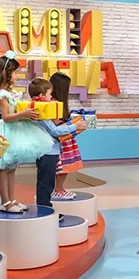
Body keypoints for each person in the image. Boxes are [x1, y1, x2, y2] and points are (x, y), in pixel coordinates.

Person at [0, 51, 54, 213]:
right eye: (15, 72)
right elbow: (6, 117)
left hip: (15, 130)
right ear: (5, 73)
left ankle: (12, 199)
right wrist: (24, 114)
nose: (17, 75)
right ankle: (5, 202)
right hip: (7, 130)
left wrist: (27, 112)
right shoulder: (2, 95)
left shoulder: (11, 93)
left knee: (12, 167)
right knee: (5, 168)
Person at [29, 77, 87, 207]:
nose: (51, 97)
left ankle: (45, 207)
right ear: (41, 95)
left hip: (51, 150)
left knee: (47, 182)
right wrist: (75, 126)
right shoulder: (40, 111)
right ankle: (44, 209)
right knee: (46, 183)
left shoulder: (41, 109)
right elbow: (54, 130)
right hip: (47, 151)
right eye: (49, 94)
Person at [49, 72, 83, 200]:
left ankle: (60, 188)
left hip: (66, 139)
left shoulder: (59, 103)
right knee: (62, 166)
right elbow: (55, 124)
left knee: (67, 164)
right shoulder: (54, 104)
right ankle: (57, 189)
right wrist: (73, 125)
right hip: (60, 140)